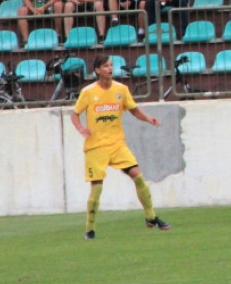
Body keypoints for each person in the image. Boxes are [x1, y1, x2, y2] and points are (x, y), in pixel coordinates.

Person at [73, 54, 170, 240]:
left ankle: (151, 217)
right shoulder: (88, 92)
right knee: (97, 189)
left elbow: (133, 109)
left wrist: (149, 119)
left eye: (111, 65)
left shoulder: (121, 89)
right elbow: (75, 114)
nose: (110, 69)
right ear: (97, 70)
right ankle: (89, 229)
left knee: (139, 177)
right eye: (106, 66)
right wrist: (81, 128)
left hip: (117, 144)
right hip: (96, 147)